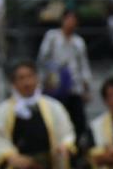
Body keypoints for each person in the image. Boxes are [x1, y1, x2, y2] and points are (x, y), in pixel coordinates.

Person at [37, 10, 93, 140]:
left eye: (73, 20)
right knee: (55, 116)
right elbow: (43, 58)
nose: (70, 23)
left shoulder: (78, 42)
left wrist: (86, 87)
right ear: (62, 20)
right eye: (68, 19)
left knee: (78, 120)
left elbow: (83, 65)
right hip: (56, 84)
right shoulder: (52, 36)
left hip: (74, 86)